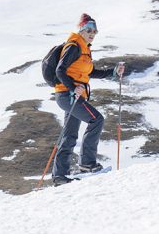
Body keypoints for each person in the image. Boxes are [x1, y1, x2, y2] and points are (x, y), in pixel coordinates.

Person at [51, 13, 125, 185]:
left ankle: (59, 176)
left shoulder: (84, 48)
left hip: (72, 96)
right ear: (81, 30)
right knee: (97, 120)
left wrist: (113, 73)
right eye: (89, 30)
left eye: (95, 31)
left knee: (69, 135)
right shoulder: (74, 46)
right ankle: (87, 164)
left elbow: (90, 72)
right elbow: (60, 70)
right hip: (67, 95)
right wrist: (72, 88)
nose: (92, 33)